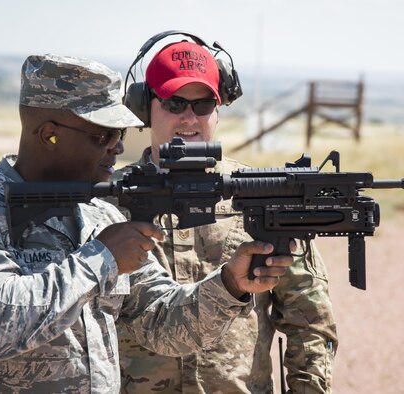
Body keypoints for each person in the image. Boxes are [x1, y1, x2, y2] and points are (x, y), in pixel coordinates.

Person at [0, 54, 294, 393]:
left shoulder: (100, 214)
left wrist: (229, 285)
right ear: (49, 134)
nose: (117, 147)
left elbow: (161, 324)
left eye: (121, 134)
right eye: (103, 135)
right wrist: (100, 259)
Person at [114, 37, 338, 393]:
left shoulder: (264, 192)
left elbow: (309, 321)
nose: (189, 118)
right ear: (145, 107)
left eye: (203, 104)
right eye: (174, 103)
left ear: (217, 111)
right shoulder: (108, 202)